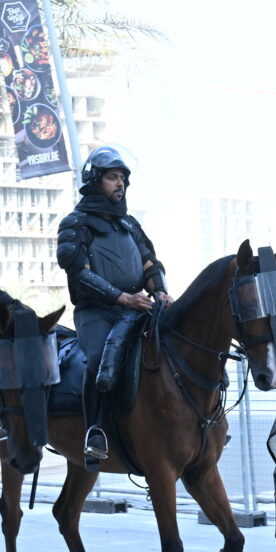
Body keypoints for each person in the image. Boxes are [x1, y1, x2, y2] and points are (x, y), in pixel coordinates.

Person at [55, 146, 173, 460]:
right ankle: (95, 433)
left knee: (171, 350)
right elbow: (79, 274)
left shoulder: (130, 225)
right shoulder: (74, 224)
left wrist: (159, 291)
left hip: (138, 307)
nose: (119, 183)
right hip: (97, 314)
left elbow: (150, 264)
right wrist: (122, 298)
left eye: (122, 178)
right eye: (112, 177)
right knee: (97, 362)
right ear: (95, 181)